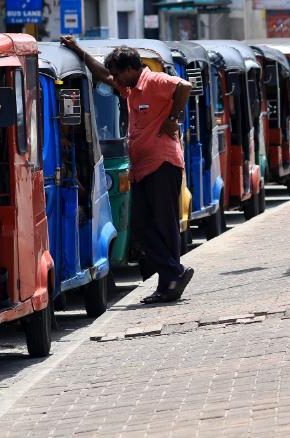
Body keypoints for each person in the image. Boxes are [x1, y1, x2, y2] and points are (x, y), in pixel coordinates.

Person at [60, 35, 194, 304]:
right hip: (143, 167)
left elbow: (185, 86)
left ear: (132, 69)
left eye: (119, 74)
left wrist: (173, 119)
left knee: (163, 226)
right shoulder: (130, 88)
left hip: (162, 163)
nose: (116, 80)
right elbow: (102, 74)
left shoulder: (154, 82)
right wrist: (77, 49)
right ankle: (172, 276)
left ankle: (171, 280)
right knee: (142, 226)